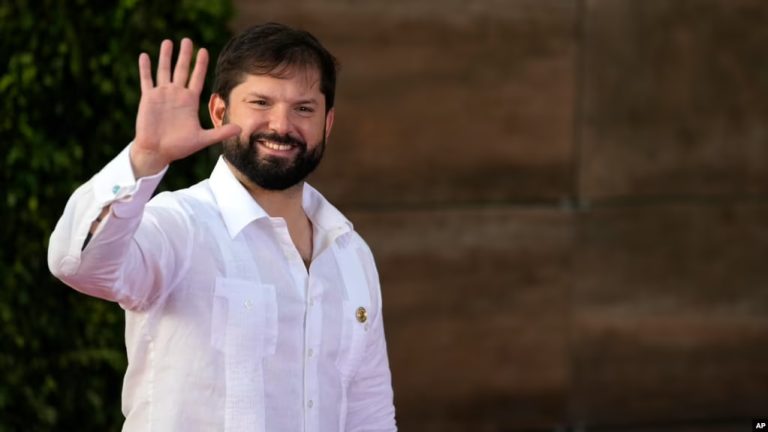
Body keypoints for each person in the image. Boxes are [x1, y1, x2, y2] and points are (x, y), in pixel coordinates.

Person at [48, 23, 396, 431]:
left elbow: (370, 416)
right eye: (261, 102)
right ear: (218, 112)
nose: (281, 125)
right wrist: (144, 159)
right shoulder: (181, 225)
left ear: (328, 123)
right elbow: (77, 264)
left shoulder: (350, 253)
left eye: (303, 109)